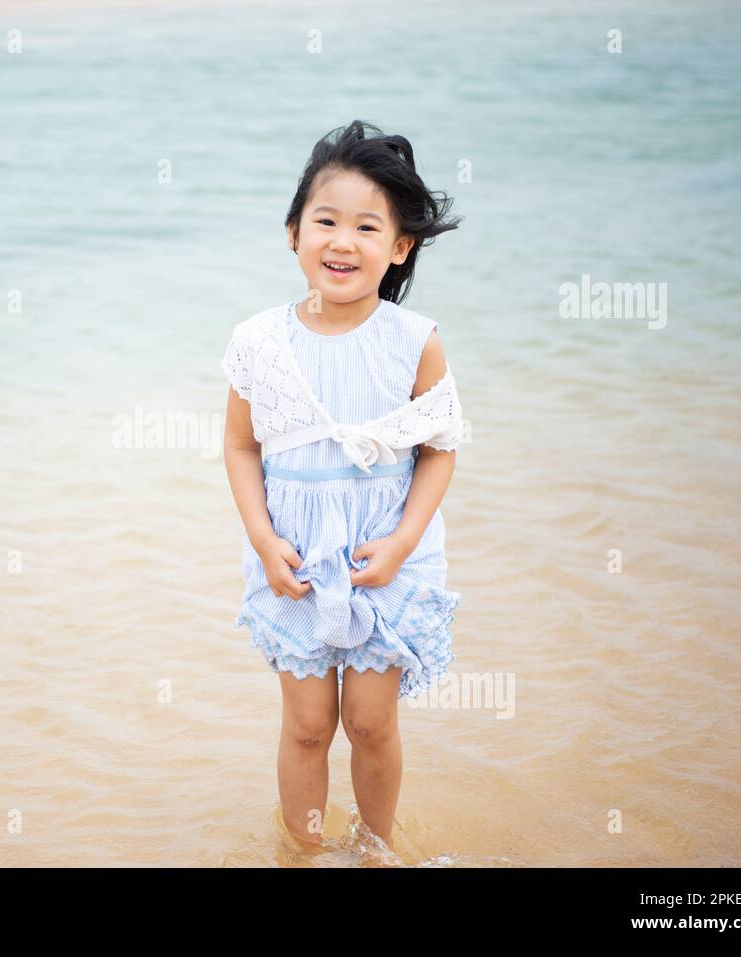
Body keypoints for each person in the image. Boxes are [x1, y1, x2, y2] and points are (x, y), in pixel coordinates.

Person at [221, 120, 465, 852]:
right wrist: (265, 542)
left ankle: (375, 848)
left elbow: (440, 451)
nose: (342, 241)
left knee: (368, 719)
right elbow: (238, 446)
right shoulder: (260, 341)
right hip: (291, 552)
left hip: (383, 550)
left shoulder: (413, 339)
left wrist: (399, 544)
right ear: (293, 231)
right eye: (325, 221)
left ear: (400, 247)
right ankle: (303, 850)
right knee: (306, 723)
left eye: (368, 226)